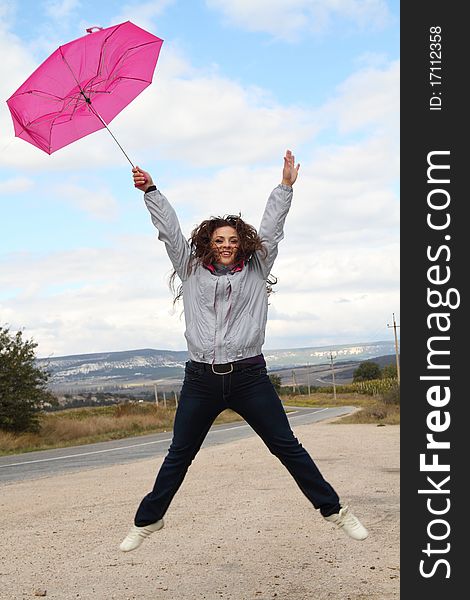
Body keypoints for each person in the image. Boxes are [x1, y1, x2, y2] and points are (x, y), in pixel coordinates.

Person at [120, 150, 368, 552]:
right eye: (219, 240)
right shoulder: (190, 268)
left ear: (243, 244)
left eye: (232, 240)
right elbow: (169, 232)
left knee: (287, 447)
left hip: (249, 377)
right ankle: (149, 519)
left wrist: (285, 187)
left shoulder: (257, 268)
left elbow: (273, 228)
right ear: (207, 243)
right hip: (200, 379)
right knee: (179, 453)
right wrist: (151, 190)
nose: (226, 245)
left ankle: (334, 510)